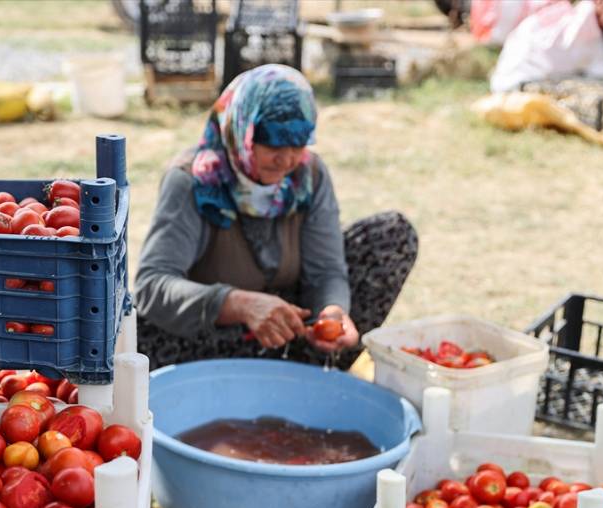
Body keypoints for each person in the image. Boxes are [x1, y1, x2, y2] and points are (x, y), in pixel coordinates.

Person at [134, 64, 418, 370]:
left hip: (288, 333)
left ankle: (310, 367)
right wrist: (238, 304)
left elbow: (326, 271)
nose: (286, 160)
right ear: (242, 130)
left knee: (391, 236)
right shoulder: (193, 181)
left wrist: (332, 312)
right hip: (209, 337)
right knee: (137, 334)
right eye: (272, 145)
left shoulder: (308, 176)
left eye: (298, 145)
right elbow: (152, 285)